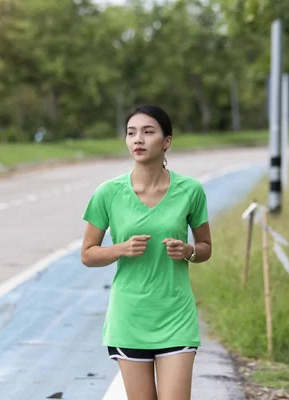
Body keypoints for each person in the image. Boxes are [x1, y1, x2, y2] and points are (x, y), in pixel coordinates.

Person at [80, 105, 212, 400]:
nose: (138, 139)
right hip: (129, 317)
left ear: (166, 141)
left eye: (148, 132)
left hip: (175, 315)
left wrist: (189, 250)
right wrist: (120, 249)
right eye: (131, 133)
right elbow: (87, 254)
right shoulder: (108, 193)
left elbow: (205, 248)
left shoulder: (190, 191)